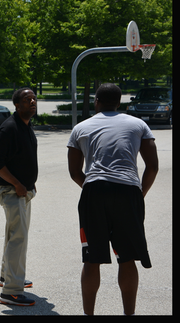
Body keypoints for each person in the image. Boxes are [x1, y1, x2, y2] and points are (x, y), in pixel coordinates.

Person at [67, 83, 159, 316]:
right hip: (128, 191)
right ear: (120, 103)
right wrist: (139, 193)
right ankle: (129, 314)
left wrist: (92, 189)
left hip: (94, 191)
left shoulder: (81, 127)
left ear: (96, 101)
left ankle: (89, 315)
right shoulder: (138, 124)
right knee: (127, 258)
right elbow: (153, 166)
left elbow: (75, 172)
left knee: (91, 259)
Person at [0, 87, 38, 307]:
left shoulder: (25, 125)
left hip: (22, 191)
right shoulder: (9, 128)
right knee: (18, 238)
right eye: (27, 99)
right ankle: (11, 292)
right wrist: (18, 184)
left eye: (34, 98)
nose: (33, 101)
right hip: (12, 191)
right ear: (17, 105)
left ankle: (7, 277)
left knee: (13, 236)